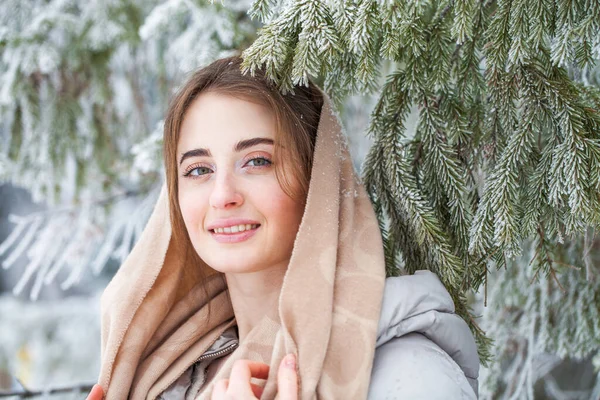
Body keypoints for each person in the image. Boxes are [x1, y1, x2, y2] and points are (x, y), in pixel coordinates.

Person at [88, 56, 479, 400]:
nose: (222, 195)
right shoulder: (168, 373)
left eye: (257, 161)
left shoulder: (408, 373)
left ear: (317, 177)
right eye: (199, 170)